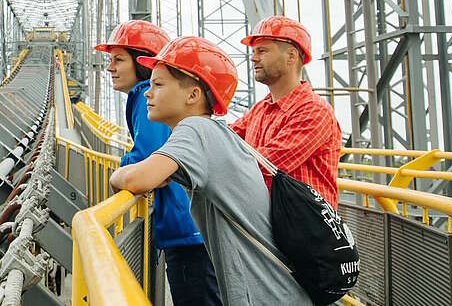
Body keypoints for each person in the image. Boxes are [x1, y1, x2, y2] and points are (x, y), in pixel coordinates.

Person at [109, 36, 311, 305]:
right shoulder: (217, 132)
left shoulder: (196, 131)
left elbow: (137, 178)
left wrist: (116, 175)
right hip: (279, 291)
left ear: (193, 95)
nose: (147, 92)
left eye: (158, 84)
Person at [93, 21, 221, 304]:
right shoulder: (198, 125)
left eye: (118, 59)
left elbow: (148, 159)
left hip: (187, 234)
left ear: (141, 63)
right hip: (194, 232)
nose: (110, 67)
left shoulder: (142, 98)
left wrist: (124, 167)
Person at [233, 15, 342, 207]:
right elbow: (225, 138)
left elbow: (264, 165)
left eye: (262, 51)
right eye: (254, 51)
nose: (253, 58)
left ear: (291, 56)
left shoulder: (314, 111)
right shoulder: (259, 110)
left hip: (303, 232)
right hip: (276, 227)